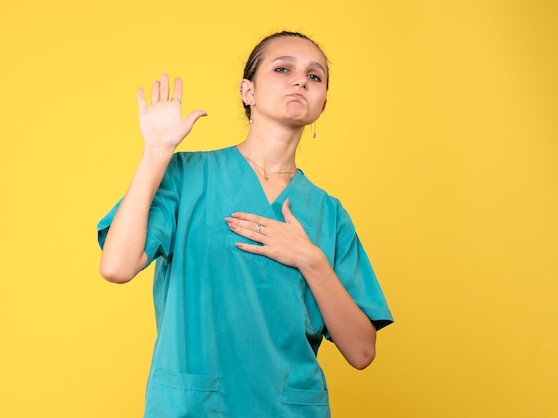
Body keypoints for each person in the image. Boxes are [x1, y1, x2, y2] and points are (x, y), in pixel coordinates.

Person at [97, 31, 393, 417]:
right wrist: (156, 152)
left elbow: (361, 351)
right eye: (283, 68)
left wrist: (310, 259)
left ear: (322, 107)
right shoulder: (185, 176)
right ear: (247, 91)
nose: (300, 80)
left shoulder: (329, 214)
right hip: (194, 406)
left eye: (314, 76)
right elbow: (116, 267)